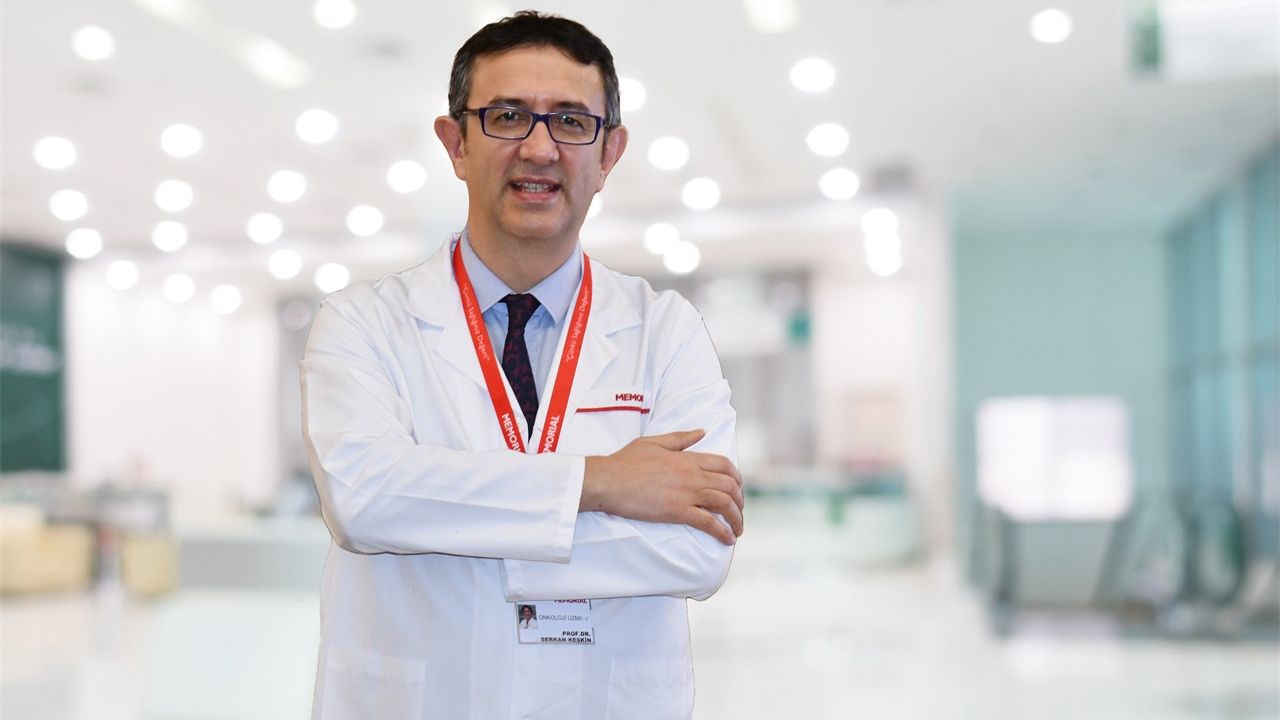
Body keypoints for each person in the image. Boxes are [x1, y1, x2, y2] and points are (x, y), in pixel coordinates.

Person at [300, 11, 743, 719]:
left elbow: (699, 546)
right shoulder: (361, 324)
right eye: (507, 116)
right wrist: (601, 483)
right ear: (456, 144)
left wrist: (448, 521)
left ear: (609, 151)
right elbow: (361, 498)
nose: (539, 148)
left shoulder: (666, 332)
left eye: (571, 121)